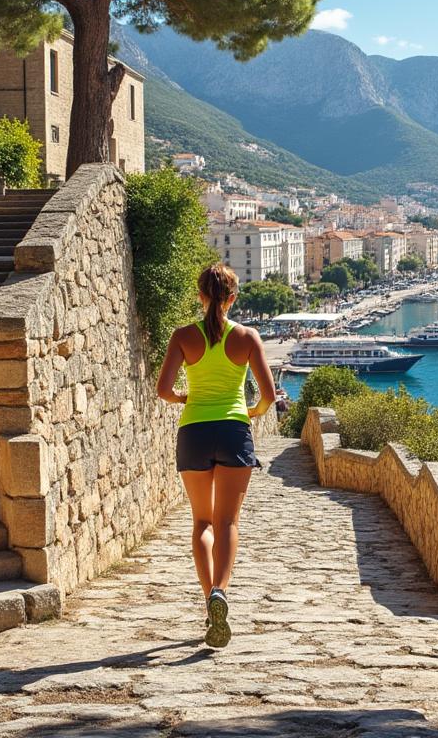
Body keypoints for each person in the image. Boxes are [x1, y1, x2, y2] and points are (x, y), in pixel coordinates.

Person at [156, 263, 276, 648]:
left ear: (200, 295)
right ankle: (220, 591)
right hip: (233, 431)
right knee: (228, 522)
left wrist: (184, 397)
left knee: (202, 522)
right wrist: (250, 414)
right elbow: (269, 397)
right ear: (232, 297)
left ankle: (210, 598)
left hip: (193, 431)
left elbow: (163, 390)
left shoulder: (183, 337)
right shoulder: (247, 337)